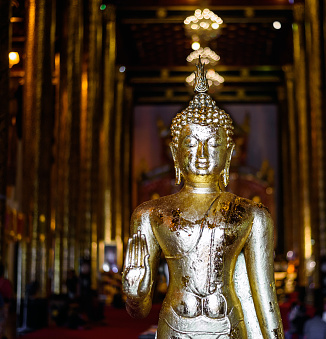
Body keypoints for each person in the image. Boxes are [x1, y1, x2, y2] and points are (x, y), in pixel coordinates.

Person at [122, 59, 284, 338]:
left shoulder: (252, 214)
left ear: (229, 153)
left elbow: (265, 298)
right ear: (175, 153)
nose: (200, 154)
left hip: (229, 325)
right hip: (175, 326)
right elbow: (139, 311)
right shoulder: (150, 214)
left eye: (212, 144)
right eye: (190, 143)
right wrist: (134, 292)